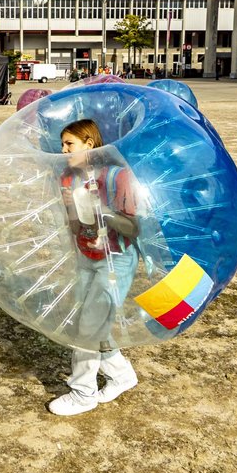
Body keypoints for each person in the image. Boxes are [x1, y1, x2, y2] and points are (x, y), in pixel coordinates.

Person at [49, 119, 141, 416]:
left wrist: (103, 211)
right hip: (86, 256)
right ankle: (122, 375)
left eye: (69, 144)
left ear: (89, 144)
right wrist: (72, 209)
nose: (63, 150)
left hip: (117, 259)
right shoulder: (67, 179)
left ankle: (83, 393)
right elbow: (75, 226)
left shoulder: (117, 177)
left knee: (89, 325)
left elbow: (134, 229)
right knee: (89, 320)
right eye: (62, 144)